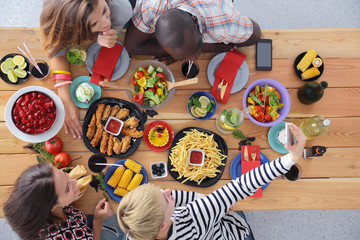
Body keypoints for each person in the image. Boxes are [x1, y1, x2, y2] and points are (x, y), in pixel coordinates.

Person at [117, 123, 306, 240]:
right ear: (163, 226)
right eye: (165, 200)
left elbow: (176, 198)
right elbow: (240, 186)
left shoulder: (135, 233)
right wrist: (290, 159)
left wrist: (216, 203)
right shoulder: (192, 218)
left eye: (158, 191)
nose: (167, 191)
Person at [40, 0, 133, 139]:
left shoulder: (121, 10)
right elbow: (56, 51)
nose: (105, 23)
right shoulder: (56, 17)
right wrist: (64, 97)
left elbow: (112, 26)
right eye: (94, 23)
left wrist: (108, 34)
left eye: (104, 10)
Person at [3, 163, 124, 240]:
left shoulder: (31, 201)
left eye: (65, 175)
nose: (75, 182)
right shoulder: (78, 236)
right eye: (67, 189)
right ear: (51, 206)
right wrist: (98, 222)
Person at [124, 0, 261, 63]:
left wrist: (205, 47)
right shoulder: (150, 7)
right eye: (184, 57)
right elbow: (131, 46)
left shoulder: (225, 21)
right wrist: (177, 52)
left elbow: (255, 35)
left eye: (194, 50)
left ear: (195, 21)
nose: (193, 59)